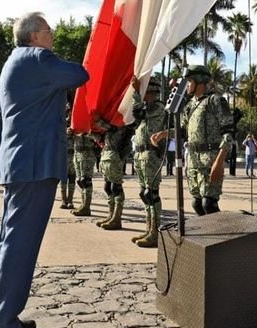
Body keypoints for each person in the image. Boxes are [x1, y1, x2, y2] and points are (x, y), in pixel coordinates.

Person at [0, 12, 88, 328]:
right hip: (33, 166)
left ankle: (4, 316)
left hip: (16, 165)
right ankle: (3, 325)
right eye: (48, 29)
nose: (52, 34)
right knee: (20, 246)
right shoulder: (39, 59)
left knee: (9, 243)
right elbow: (79, 74)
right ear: (33, 36)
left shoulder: (11, 64)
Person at [154, 65, 234, 216]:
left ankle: (223, 236)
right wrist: (164, 134)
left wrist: (219, 162)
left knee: (208, 203)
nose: (187, 85)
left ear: (199, 82)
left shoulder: (215, 101)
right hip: (193, 160)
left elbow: (228, 133)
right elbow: (183, 131)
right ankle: (210, 237)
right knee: (197, 203)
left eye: (190, 81)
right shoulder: (190, 105)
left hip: (210, 159)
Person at [129, 75, 166, 248]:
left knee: (152, 194)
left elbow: (138, 112)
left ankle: (155, 232)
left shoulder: (157, 107)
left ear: (151, 91)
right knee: (145, 194)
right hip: (141, 155)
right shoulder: (147, 108)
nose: (143, 95)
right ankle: (148, 228)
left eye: (145, 91)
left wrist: (136, 92)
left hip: (151, 155)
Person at [93, 117, 134, 231]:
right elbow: (102, 140)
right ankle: (111, 216)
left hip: (114, 159)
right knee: (108, 188)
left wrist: (98, 121)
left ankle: (117, 218)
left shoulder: (120, 127)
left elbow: (112, 129)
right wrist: (89, 132)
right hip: (106, 158)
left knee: (115, 188)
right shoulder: (109, 130)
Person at [70, 130, 95, 216]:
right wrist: (69, 131)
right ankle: (83, 204)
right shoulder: (74, 119)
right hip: (77, 152)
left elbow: (96, 134)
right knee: (80, 181)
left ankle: (86, 207)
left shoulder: (91, 119)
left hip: (87, 154)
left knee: (86, 180)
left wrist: (86, 132)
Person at [60, 125, 76, 210]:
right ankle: (63, 200)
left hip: (73, 158)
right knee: (63, 181)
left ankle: (70, 201)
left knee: (72, 180)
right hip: (64, 158)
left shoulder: (76, 130)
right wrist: (66, 134)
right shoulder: (63, 124)